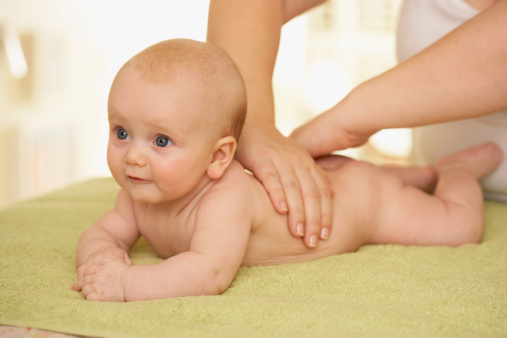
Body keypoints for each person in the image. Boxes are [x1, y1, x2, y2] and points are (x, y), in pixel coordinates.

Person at [71, 38, 503, 302]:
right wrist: (100, 259)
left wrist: (128, 283)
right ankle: (418, 176)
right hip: (329, 176)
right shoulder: (137, 194)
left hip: (362, 205)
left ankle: (455, 172)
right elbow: (101, 233)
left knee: (457, 225)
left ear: (219, 158)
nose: (134, 157)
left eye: (161, 141)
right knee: (378, 176)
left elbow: (209, 271)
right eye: (121, 132)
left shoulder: (226, 198)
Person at [206, 0, 507, 249]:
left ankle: (450, 172)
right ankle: (439, 173)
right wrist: (251, 121)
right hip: (423, 186)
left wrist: (351, 117)